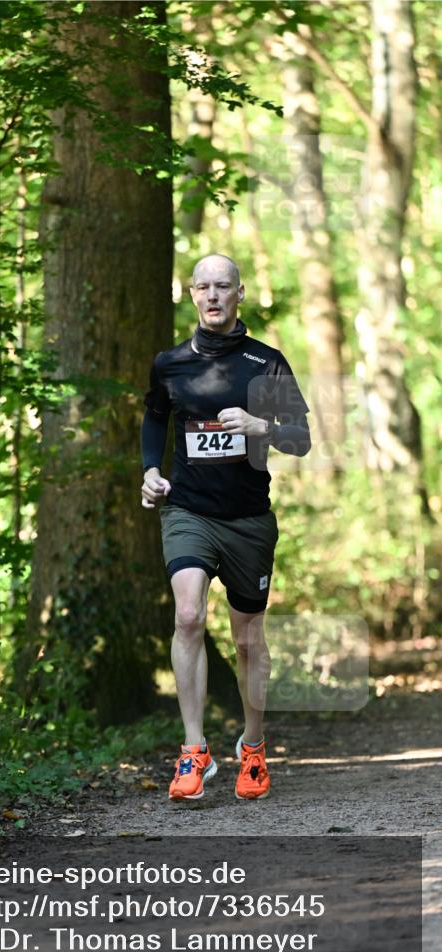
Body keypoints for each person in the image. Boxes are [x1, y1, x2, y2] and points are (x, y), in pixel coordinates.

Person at [141, 254, 311, 802]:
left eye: (223, 286)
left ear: (240, 293)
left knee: (247, 639)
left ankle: (253, 747)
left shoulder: (266, 362)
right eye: (204, 287)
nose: (213, 295)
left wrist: (262, 425)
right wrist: (150, 471)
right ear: (192, 294)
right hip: (188, 511)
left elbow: (301, 438)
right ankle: (193, 751)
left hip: (248, 519)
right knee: (188, 614)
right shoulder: (170, 363)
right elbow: (155, 418)